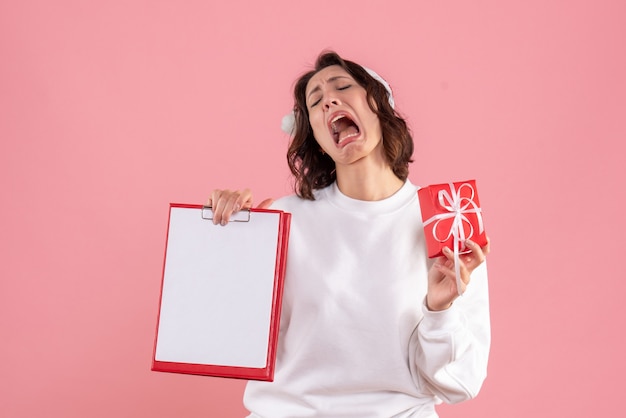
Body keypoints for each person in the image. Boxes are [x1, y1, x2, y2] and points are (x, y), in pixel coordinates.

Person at [208, 51, 491, 418]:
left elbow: (461, 383)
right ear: (315, 135)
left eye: (343, 86)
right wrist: (225, 241)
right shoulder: (281, 217)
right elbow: (231, 336)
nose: (329, 99)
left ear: (380, 105)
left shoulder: (447, 219)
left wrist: (440, 310)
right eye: (315, 101)